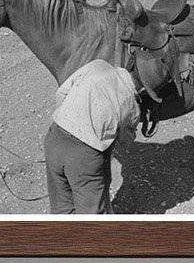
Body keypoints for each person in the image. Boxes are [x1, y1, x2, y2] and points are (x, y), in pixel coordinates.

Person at [44, 59, 140, 214]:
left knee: (61, 208)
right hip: (83, 157)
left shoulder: (98, 65)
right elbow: (125, 140)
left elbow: (61, 93)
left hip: (55, 138)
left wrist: (71, 120)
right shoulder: (130, 102)